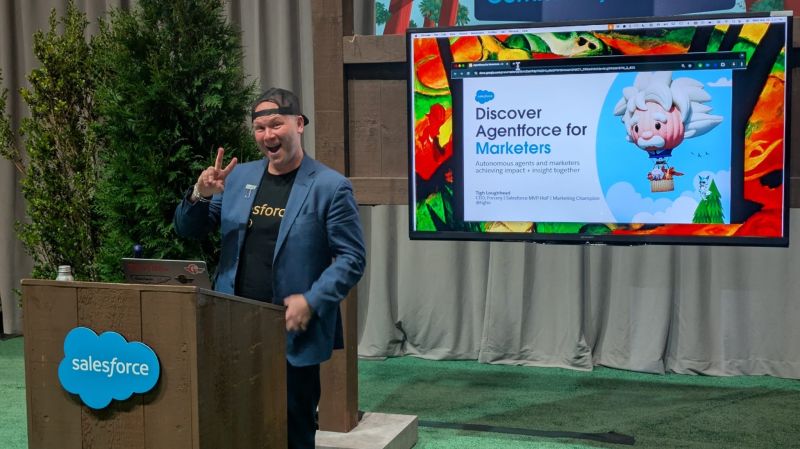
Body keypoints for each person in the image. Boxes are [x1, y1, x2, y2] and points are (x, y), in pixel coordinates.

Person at [174, 87, 366, 449]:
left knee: (293, 430)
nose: (268, 135)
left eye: (276, 124)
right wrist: (200, 194)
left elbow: (352, 258)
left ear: (299, 124)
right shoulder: (238, 178)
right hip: (234, 327)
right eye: (259, 128)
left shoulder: (330, 187)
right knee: (235, 425)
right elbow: (188, 229)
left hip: (291, 331)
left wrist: (312, 300)